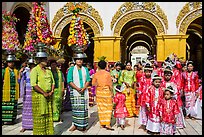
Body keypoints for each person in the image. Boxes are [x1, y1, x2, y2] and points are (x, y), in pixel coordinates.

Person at [30, 45, 55, 135]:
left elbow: (53, 82)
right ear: (40, 60)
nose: (46, 61)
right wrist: (43, 92)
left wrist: (51, 91)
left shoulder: (48, 71)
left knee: (48, 114)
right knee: (40, 115)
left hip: (49, 95)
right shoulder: (35, 70)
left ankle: (48, 132)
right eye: (44, 59)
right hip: (39, 96)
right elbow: (34, 84)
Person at [67, 53, 90, 132]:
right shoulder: (71, 69)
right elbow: (69, 80)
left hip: (84, 91)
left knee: (83, 109)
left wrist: (84, 87)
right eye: (78, 59)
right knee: (76, 109)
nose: (80, 61)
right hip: (75, 92)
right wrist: (77, 88)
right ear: (75, 60)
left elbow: (88, 80)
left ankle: (83, 125)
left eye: (81, 59)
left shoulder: (85, 69)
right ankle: (75, 124)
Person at [161, 65, 186, 131]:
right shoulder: (162, 82)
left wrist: (173, 96)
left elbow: (176, 91)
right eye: (166, 75)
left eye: (169, 75)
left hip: (173, 100)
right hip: (165, 100)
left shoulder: (173, 83)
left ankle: (177, 123)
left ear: (171, 75)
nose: (167, 76)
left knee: (175, 110)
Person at [92, 60, 114, 131]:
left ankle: (102, 123)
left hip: (99, 92)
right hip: (107, 92)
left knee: (101, 108)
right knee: (108, 108)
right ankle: (107, 123)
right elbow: (110, 84)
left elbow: (93, 84)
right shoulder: (108, 74)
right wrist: (112, 93)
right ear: (105, 66)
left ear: (98, 66)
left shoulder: (96, 74)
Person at [18, 57, 36, 132]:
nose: (32, 66)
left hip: (35, 90)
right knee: (26, 108)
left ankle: (35, 125)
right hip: (27, 91)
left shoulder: (36, 71)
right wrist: (20, 73)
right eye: (30, 64)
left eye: (33, 64)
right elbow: (20, 81)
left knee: (35, 108)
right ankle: (25, 125)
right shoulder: (26, 71)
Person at [2, 53, 19, 125]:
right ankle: (4, 119)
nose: (11, 64)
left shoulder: (16, 71)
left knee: (13, 105)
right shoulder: (4, 71)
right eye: (9, 62)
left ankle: (12, 119)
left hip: (14, 90)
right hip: (6, 90)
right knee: (5, 105)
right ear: (7, 63)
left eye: (12, 62)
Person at [138, 63, 153, 131]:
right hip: (143, 97)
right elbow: (140, 88)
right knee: (143, 110)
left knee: (150, 110)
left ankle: (150, 124)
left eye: (149, 72)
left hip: (151, 97)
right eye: (146, 72)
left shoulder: (153, 79)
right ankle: (144, 123)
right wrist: (139, 94)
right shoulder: (142, 79)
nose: (148, 73)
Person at [49, 58, 64, 122]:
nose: (54, 66)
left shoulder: (59, 72)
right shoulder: (48, 72)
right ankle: (52, 117)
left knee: (58, 103)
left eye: (55, 65)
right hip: (51, 89)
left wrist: (63, 88)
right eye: (52, 65)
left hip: (58, 89)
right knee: (52, 103)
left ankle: (58, 117)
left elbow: (62, 81)